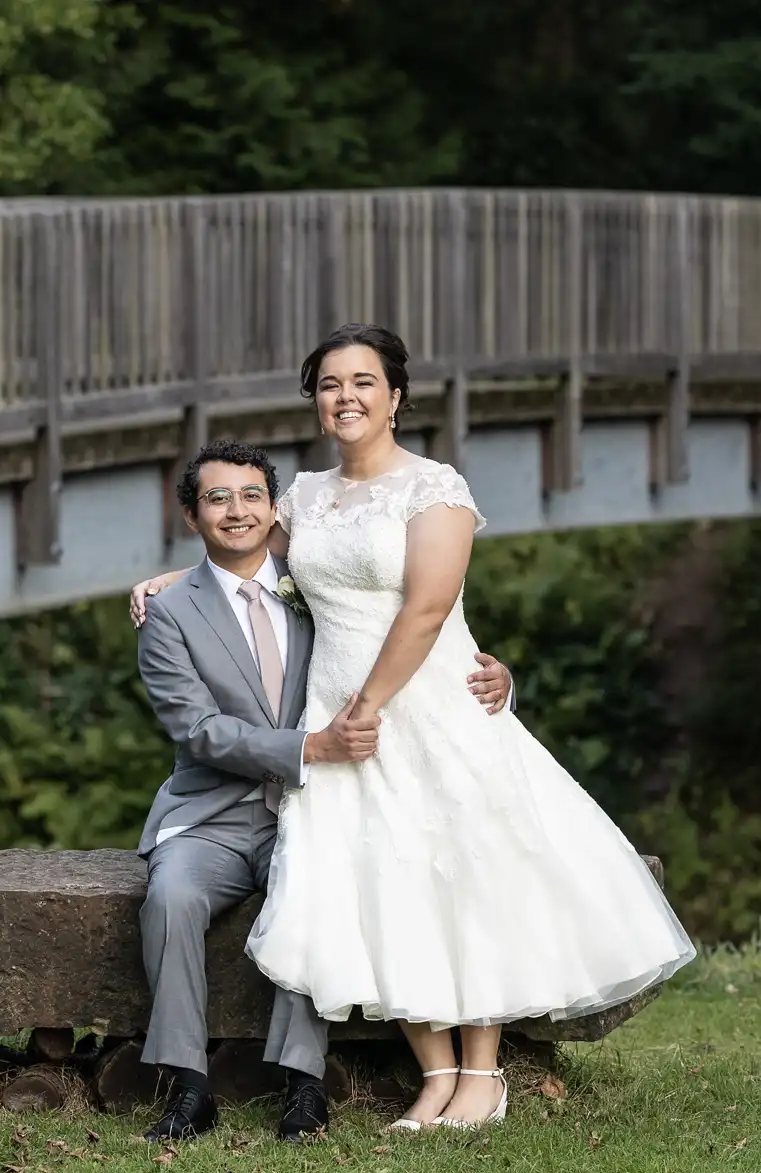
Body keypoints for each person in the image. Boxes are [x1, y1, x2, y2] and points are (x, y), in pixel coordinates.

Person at [131, 324, 696, 1131]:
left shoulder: (436, 489)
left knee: (464, 871)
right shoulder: (305, 498)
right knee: (382, 881)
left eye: (364, 381)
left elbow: (430, 608)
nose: (347, 396)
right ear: (317, 402)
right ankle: (434, 1076)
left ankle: (482, 1073)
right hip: (340, 725)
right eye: (330, 384)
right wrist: (166, 582)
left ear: (395, 397)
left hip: (421, 706)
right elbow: (247, 559)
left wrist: (373, 703)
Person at [133, 437, 515, 1142]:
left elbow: (406, 621)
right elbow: (199, 731)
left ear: (274, 508)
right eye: (217, 497)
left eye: (251, 496)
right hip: (212, 814)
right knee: (170, 897)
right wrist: (311, 748)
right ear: (193, 515)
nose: (236, 510)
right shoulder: (169, 614)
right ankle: (188, 1085)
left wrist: (498, 678)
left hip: (310, 804)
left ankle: (304, 1088)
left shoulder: (311, 585)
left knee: (322, 882)